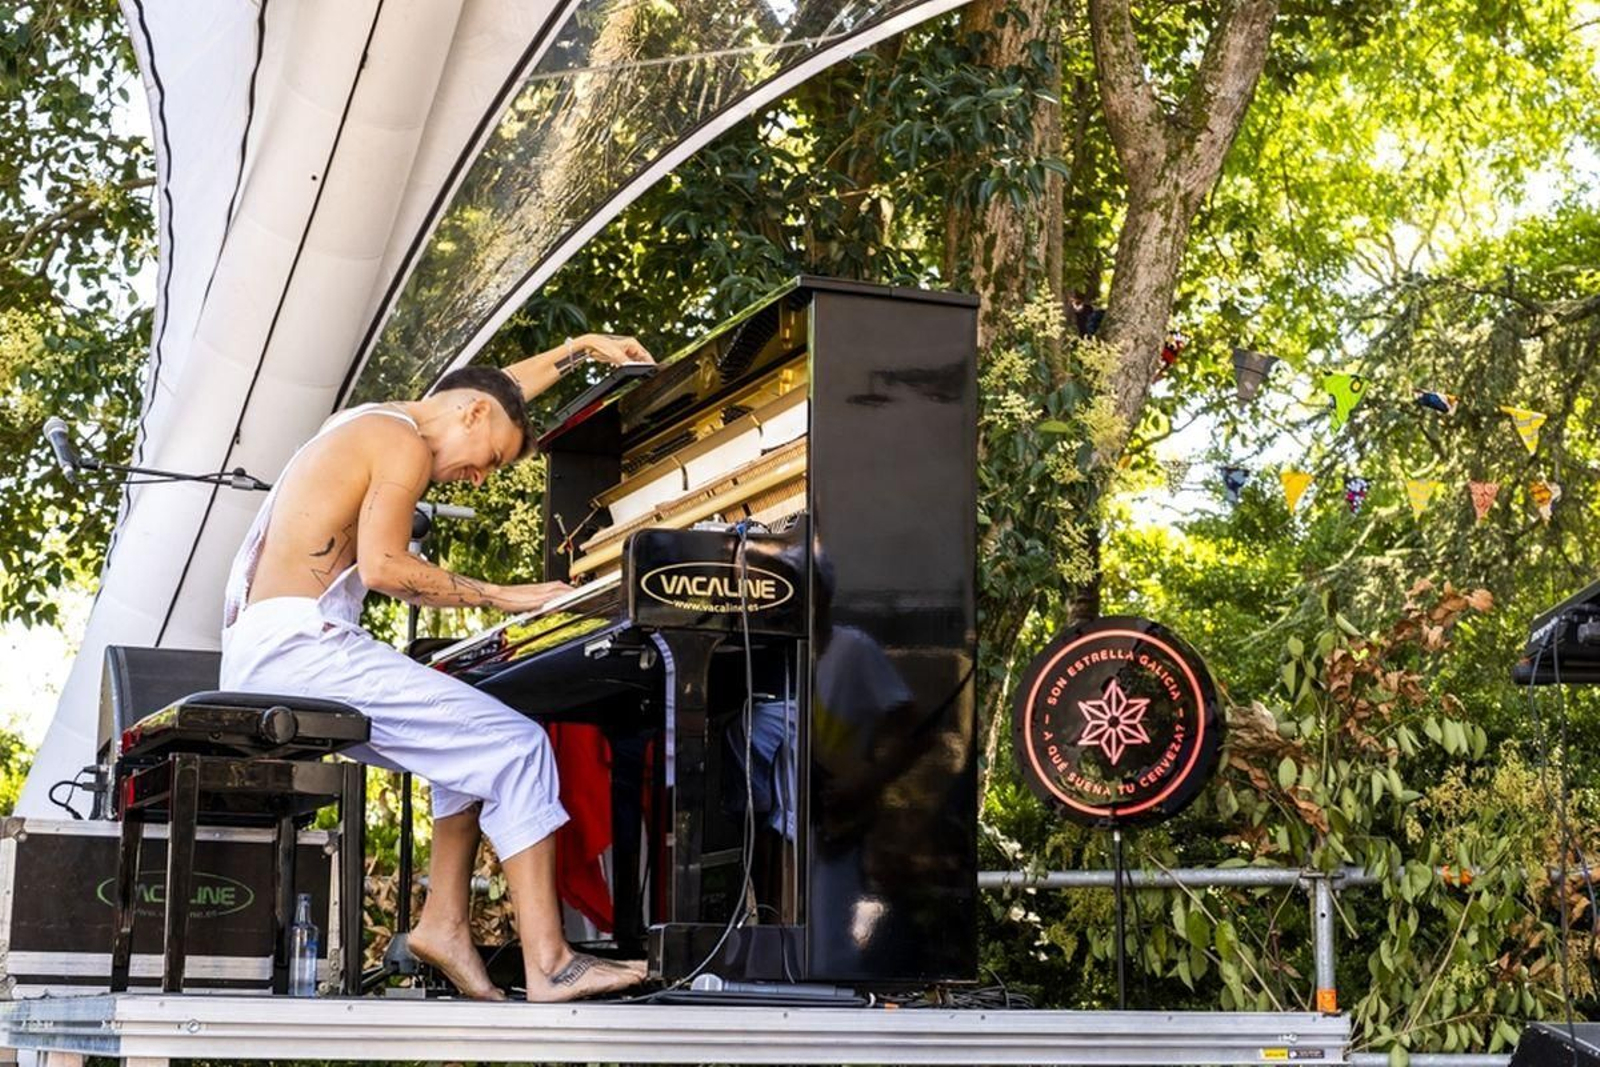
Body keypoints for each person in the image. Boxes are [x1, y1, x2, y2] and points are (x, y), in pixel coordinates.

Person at [218, 333, 655, 1002]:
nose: (480, 478)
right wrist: (512, 596)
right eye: (493, 461)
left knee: (467, 749)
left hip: (263, 648)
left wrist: (581, 350)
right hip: (301, 649)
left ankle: (443, 921)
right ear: (472, 415)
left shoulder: (378, 421)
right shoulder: (404, 444)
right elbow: (386, 567)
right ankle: (553, 962)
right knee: (520, 746)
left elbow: (492, 387)